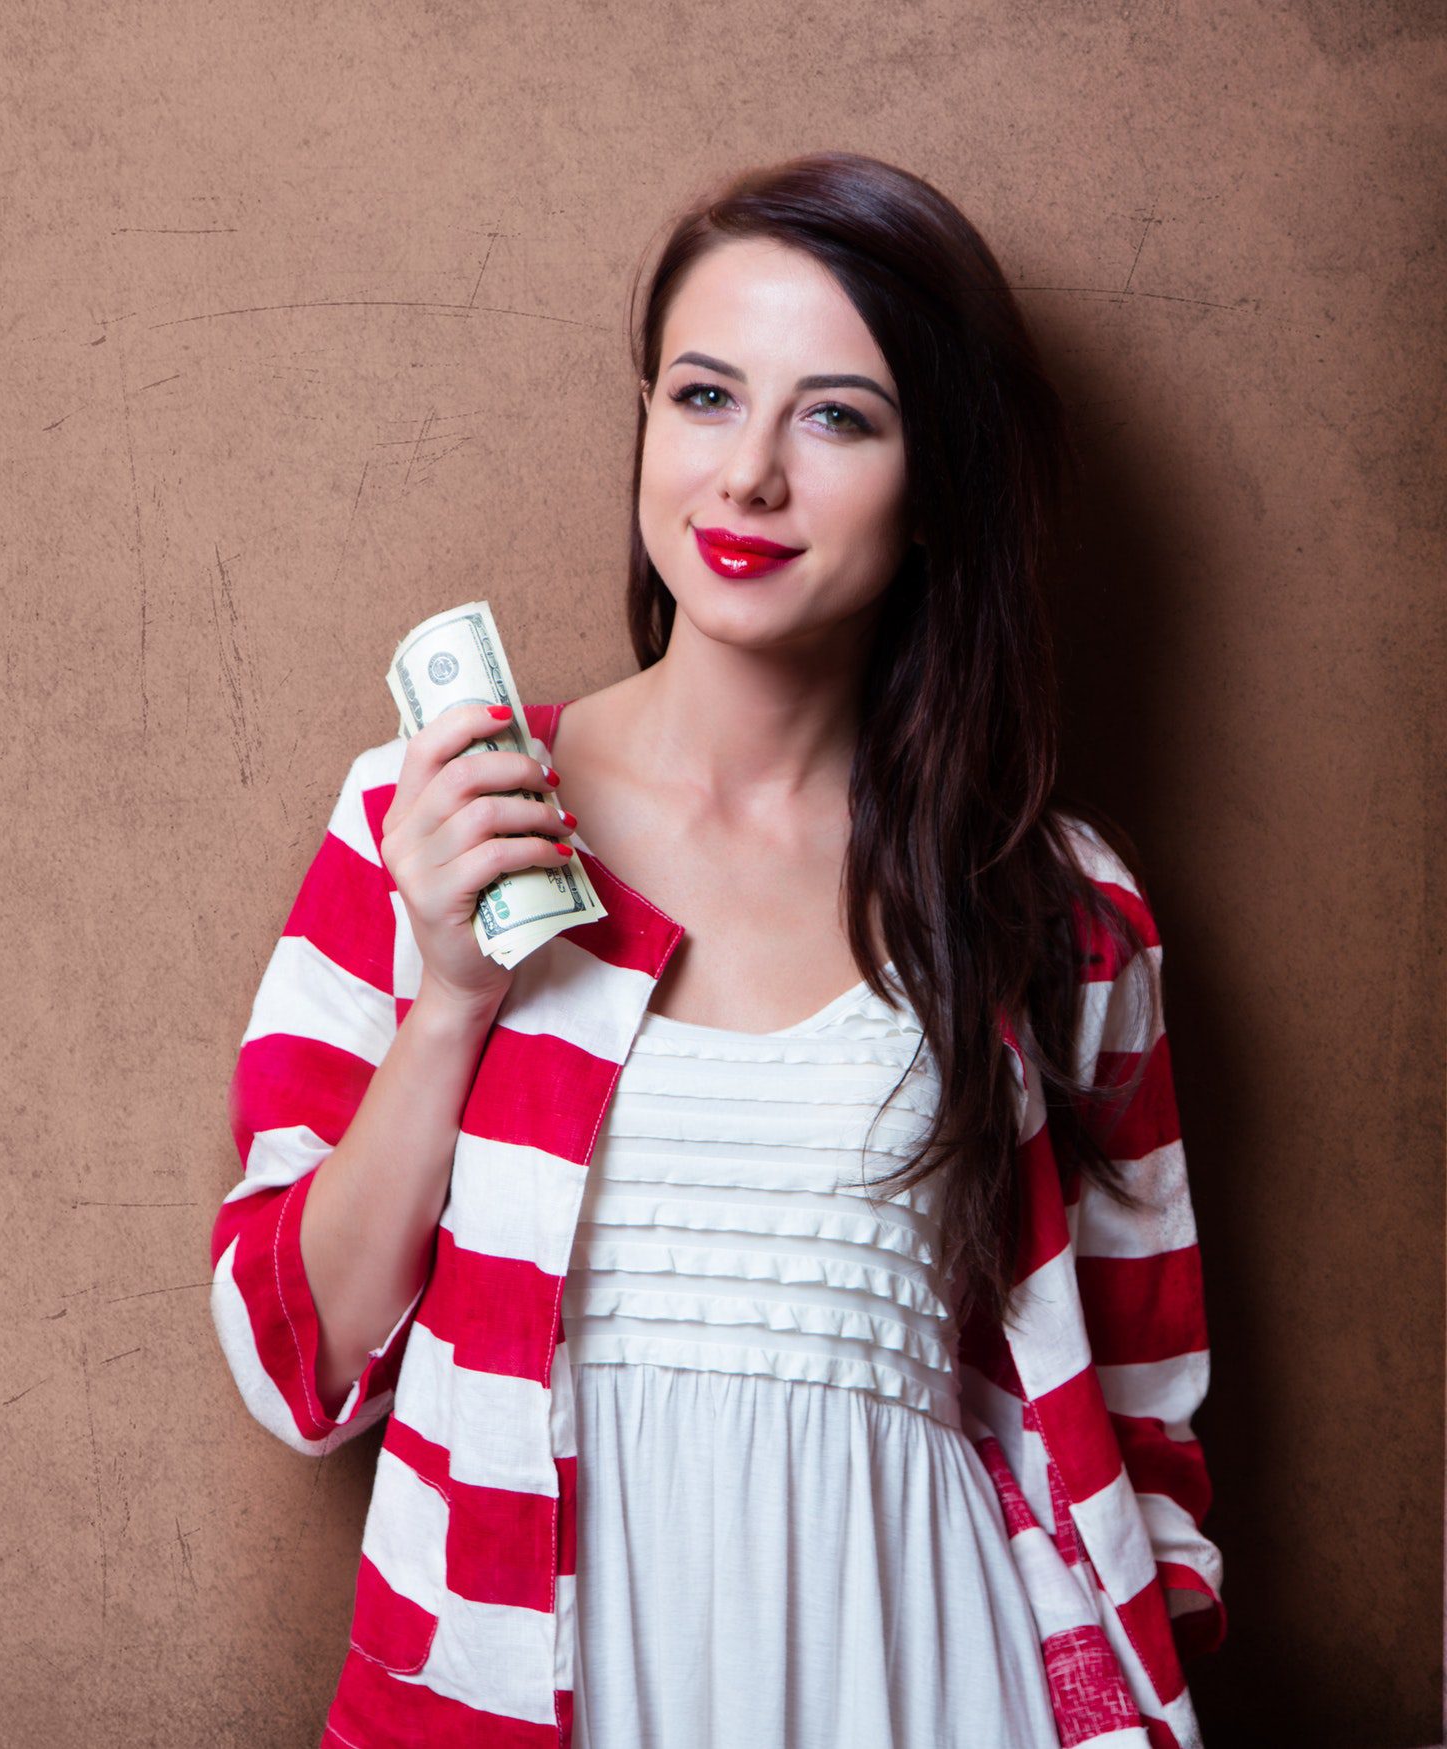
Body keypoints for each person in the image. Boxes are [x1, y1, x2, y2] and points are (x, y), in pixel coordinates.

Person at [209, 152, 1224, 1749]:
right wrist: (455, 995)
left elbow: (1143, 1432)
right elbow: (299, 1362)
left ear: (935, 481)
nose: (747, 475)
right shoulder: (434, 813)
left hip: (935, 1686)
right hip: (537, 1688)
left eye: (836, 416)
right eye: (703, 396)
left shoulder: (1055, 912)